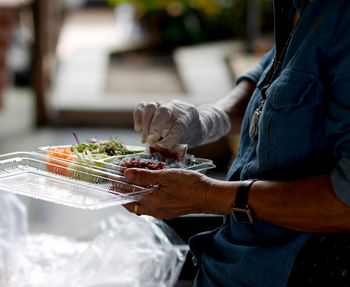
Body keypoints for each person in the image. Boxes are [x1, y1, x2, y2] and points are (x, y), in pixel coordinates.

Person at [123, 0, 350, 286]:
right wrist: (210, 117)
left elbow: (345, 202)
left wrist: (205, 195)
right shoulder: (294, 7)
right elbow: (273, 73)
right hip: (232, 259)